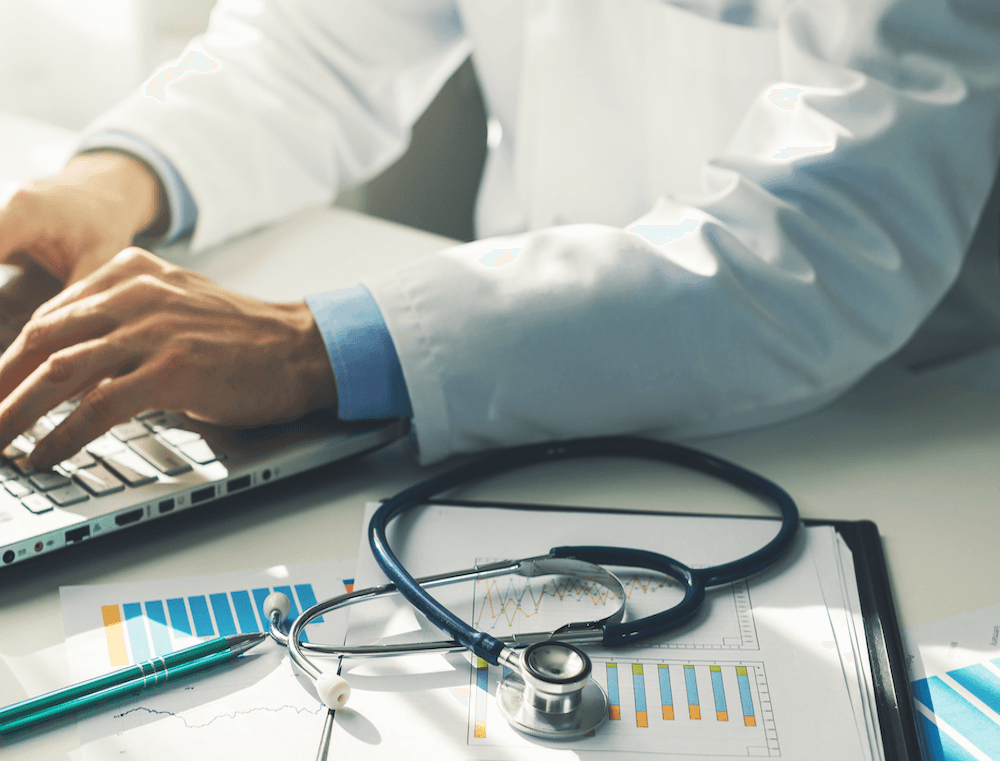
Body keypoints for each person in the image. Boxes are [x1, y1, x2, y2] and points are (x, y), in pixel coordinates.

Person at [0, 0, 998, 473]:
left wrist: (314, 348)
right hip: (511, 403)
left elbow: (819, 249)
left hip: (874, 437)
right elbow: (313, 47)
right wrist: (112, 184)